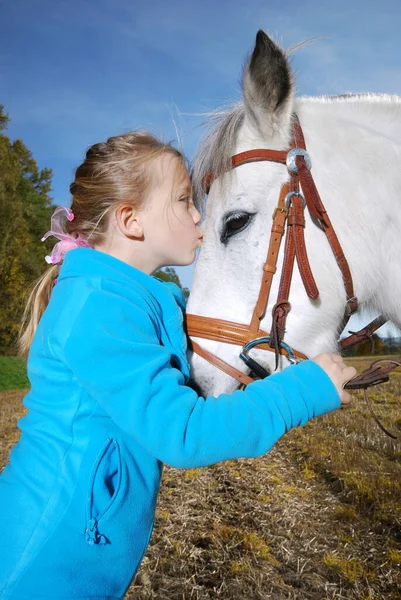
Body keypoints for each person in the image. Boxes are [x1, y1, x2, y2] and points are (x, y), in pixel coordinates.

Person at [0, 132, 357, 599]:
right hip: (40, 561)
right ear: (131, 220)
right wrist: (302, 391)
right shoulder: (99, 308)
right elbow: (184, 434)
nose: (200, 220)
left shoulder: (127, 301)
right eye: (186, 201)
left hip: (72, 548)